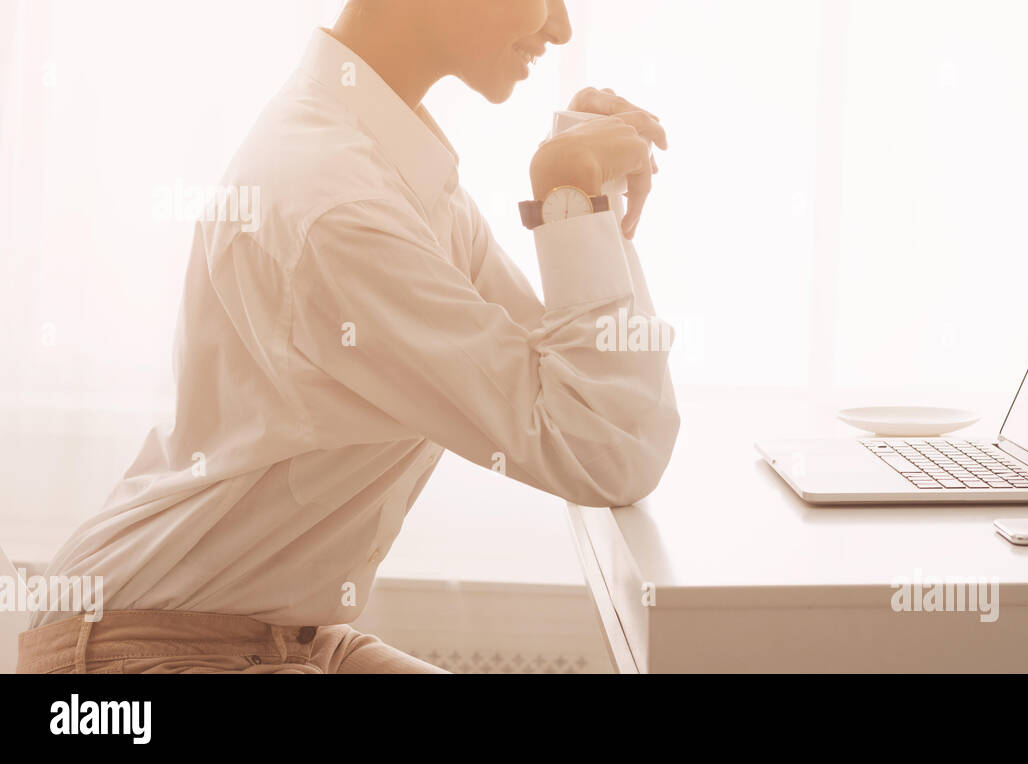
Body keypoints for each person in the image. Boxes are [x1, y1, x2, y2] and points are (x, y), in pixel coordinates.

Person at [16, 0, 678, 674]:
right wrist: (568, 191)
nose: (560, 26)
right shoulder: (339, 203)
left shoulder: (389, 160)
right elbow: (600, 449)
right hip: (138, 654)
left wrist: (589, 195)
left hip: (270, 635)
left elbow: (590, 408)